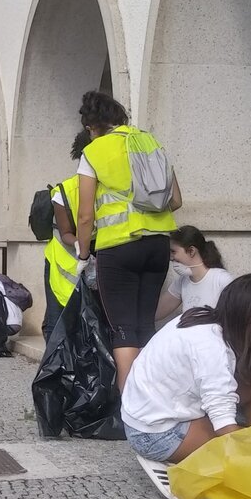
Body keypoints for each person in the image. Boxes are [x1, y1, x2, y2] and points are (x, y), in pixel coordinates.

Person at [123, 274, 251, 499]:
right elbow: (225, 426)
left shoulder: (204, 318)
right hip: (154, 434)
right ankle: (179, 466)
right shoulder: (212, 349)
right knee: (244, 454)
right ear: (243, 316)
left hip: (145, 416)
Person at [75, 90, 182, 390]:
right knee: (145, 324)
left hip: (118, 249)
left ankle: (130, 410)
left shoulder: (94, 152)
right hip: (157, 246)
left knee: (122, 328)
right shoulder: (151, 142)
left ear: (91, 126)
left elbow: (85, 216)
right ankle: (154, 401)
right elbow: (175, 200)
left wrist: (83, 257)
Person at [43, 130, 92, 341]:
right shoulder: (65, 190)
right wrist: (83, 246)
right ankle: (54, 369)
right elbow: (65, 234)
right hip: (62, 264)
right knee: (57, 322)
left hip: (89, 264)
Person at [155, 226, 233, 321]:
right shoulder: (182, 281)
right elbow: (156, 313)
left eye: (173, 252)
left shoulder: (221, 279)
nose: (171, 257)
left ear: (191, 251)